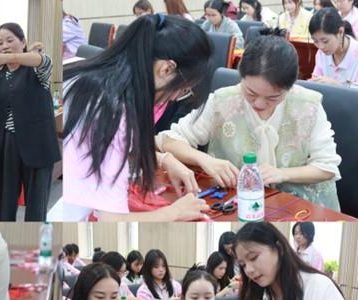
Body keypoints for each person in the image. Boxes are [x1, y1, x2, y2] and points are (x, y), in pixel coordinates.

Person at [159, 35, 342, 210]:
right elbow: (168, 140)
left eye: (273, 97)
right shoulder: (223, 101)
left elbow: (326, 167)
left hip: (299, 204)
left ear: (290, 86)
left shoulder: (308, 106)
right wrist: (205, 159)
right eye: (251, 93)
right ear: (241, 77)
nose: (259, 104)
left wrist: (282, 174)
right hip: (235, 202)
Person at [64, 14, 212, 222]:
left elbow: (119, 146)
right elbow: (110, 220)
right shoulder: (110, 109)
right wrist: (175, 212)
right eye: (183, 89)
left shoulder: (89, 76)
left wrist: (162, 159)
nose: (174, 98)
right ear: (166, 69)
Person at [0, 22, 60, 221]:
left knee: (36, 206)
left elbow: (42, 60)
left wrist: (9, 57)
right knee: (3, 204)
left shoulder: (36, 68)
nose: (4, 46)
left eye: (9, 40)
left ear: (23, 41)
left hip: (37, 143)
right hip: (7, 143)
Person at [310, 7, 358, 88]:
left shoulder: (355, 53)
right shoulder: (321, 54)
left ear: (340, 32)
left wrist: (338, 85)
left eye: (325, 41)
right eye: (315, 41)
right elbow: (316, 82)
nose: (321, 47)